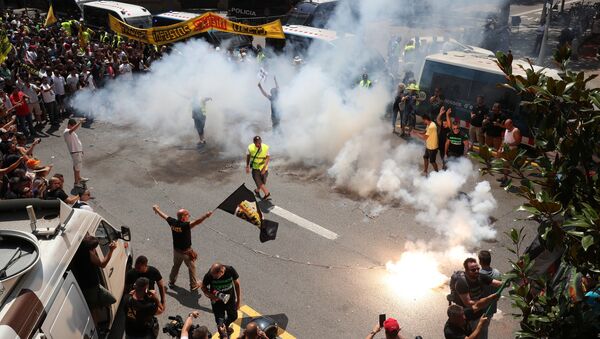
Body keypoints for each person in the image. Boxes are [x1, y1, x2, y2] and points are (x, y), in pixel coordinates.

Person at [152, 204, 212, 291]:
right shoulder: (185, 226)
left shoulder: (172, 222)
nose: (189, 217)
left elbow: (164, 216)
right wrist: (206, 216)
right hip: (186, 252)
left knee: (176, 266)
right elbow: (197, 222)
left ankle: (171, 282)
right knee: (192, 268)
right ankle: (194, 285)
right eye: (188, 215)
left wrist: (157, 210)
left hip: (176, 251)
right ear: (183, 217)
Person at [71, 235, 118, 324]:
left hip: (89, 285)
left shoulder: (78, 251)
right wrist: (111, 250)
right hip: (90, 288)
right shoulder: (87, 254)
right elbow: (102, 264)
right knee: (95, 310)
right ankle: (96, 328)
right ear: (90, 248)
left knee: (108, 300)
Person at [455, 258, 502, 339]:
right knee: (476, 335)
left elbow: (497, 283)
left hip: (479, 312)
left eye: (478, 269)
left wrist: (510, 279)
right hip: (469, 316)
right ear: (466, 271)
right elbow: (468, 303)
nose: (476, 271)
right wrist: (486, 300)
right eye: (473, 270)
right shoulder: (461, 283)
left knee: (482, 334)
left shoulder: (480, 276)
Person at [201, 263, 241, 333]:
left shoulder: (230, 270)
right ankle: (223, 332)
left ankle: (226, 326)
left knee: (233, 316)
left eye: (216, 277)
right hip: (217, 302)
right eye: (212, 276)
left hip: (230, 299)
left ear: (222, 272)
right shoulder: (209, 275)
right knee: (220, 324)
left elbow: (237, 284)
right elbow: (203, 287)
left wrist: (238, 301)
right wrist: (212, 296)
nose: (213, 278)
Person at [64, 118, 88, 187]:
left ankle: (79, 178)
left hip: (77, 152)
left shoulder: (70, 132)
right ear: (69, 125)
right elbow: (72, 130)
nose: (74, 127)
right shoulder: (66, 132)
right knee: (77, 168)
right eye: (72, 126)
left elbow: (76, 142)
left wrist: (81, 150)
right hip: (75, 153)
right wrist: (80, 122)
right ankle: (76, 183)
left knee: (76, 167)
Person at [478, 250, 501, 319]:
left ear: (480, 262)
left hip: (480, 308)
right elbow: (499, 290)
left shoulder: (478, 275)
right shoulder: (497, 273)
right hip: (491, 307)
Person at [498, 119, 521, 187]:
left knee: (507, 165)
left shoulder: (516, 131)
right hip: (505, 150)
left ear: (511, 124)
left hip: (511, 151)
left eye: (507, 125)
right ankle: (504, 177)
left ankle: (505, 180)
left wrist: (509, 145)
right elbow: (504, 140)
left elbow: (518, 142)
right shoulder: (507, 129)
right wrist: (500, 148)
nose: (506, 127)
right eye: (505, 126)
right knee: (504, 165)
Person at [245, 135, 270, 199]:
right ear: (254, 142)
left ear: (261, 141)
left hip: (264, 167)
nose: (258, 144)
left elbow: (267, 158)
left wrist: (264, 168)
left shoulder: (265, 147)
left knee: (263, 182)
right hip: (255, 168)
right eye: (256, 143)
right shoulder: (250, 147)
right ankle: (267, 193)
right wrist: (247, 165)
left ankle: (256, 191)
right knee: (258, 181)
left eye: (259, 142)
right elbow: (248, 156)